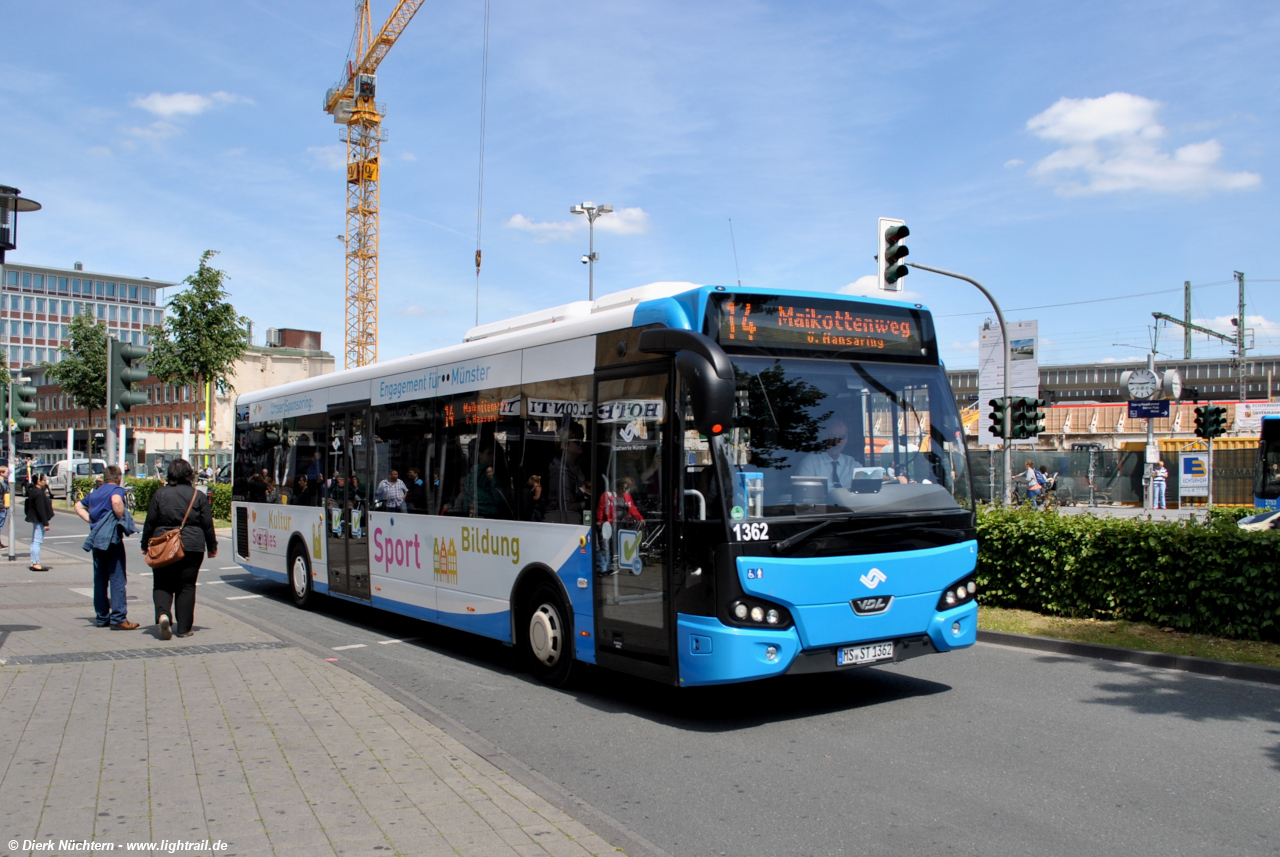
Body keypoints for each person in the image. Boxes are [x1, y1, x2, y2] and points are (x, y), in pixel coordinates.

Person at [141, 459, 217, 640]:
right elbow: (207, 524)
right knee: (187, 586)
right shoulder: (198, 495)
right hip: (192, 545)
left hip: (164, 544)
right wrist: (212, 546)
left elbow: (150, 521)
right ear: (189, 474)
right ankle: (184, 629)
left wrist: (145, 544)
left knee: (162, 582)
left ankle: (163, 615)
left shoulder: (160, 494)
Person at [76, 465, 139, 630]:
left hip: (96, 539)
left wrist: (92, 521)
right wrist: (120, 517)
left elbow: (78, 506)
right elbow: (116, 501)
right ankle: (118, 617)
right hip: (112, 539)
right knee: (117, 578)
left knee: (100, 580)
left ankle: (102, 617)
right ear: (119, 478)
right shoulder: (117, 490)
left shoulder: (96, 493)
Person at [796, 418, 906, 489]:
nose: (837, 441)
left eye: (842, 437)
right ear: (824, 436)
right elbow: (804, 501)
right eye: (833, 436)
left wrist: (895, 480)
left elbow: (870, 476)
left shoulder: (850, 463)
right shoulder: (810, 464)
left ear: (847, 439)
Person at [546, 424, 589, 523]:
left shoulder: (580, 465)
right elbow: (566, 507)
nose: (581, 443)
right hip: (562, 522)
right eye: (576, 441)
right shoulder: (560, 472)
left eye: (582, 439)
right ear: (564, 445)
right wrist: (588, 504)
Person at [24, 473, 55, 571]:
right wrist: (46, 523)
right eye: (44, 480)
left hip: (35, 518)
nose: (45, 482)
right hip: (39, 520)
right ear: (38, 481)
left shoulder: (32, 490)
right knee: (37, 541)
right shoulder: (39, 493)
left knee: (34, 541)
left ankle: (33, 561)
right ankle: (35, 563)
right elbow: (41, 509)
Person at [0, 464, 9, 549]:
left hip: (4, 506)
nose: (8, 474)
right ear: (1, 473)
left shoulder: (4, 482)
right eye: (6, 472)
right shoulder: (1, 483)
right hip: (1, 507)